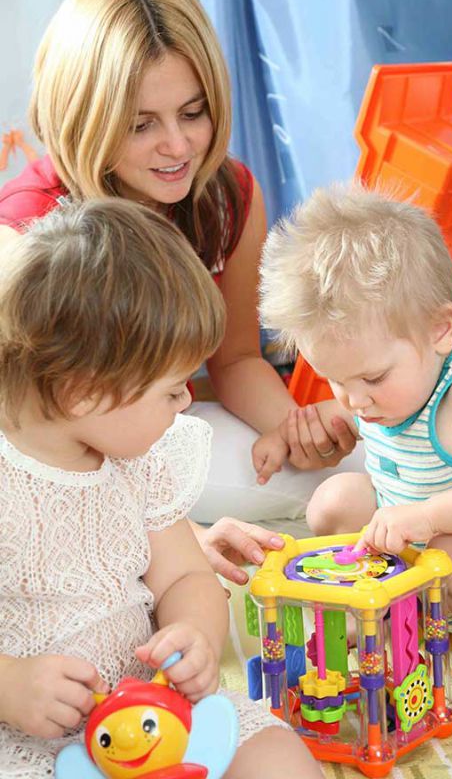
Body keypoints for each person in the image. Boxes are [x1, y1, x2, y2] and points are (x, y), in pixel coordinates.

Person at [0, 0, 364, 584]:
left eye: (193, 113)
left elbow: (239, 357)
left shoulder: (227, 196)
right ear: (85, 115)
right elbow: (29, 439)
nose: (177, 146)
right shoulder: (28, 231)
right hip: (59, 461)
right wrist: (179, 537)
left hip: (169, 431)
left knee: (357, 471)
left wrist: (291, 427)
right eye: (141, 125)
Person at [0, 198, 324, 778]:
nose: (186, 403)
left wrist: (195, 635)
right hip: (31, 741)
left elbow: (184, 575)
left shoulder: (140, 461)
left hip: (159, 711)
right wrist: (9, 686)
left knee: (277, 760)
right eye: (172, 390)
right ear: (83, 392)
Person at [258, 182, 452, 732]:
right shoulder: (379, 390)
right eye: (337, 379)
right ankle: (390, 608)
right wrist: (291, 434)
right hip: (432, 566)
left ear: (440, 329)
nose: (357, 399)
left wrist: (429, 517)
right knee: (335, 500)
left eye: (372, 378)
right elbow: (353, 420)